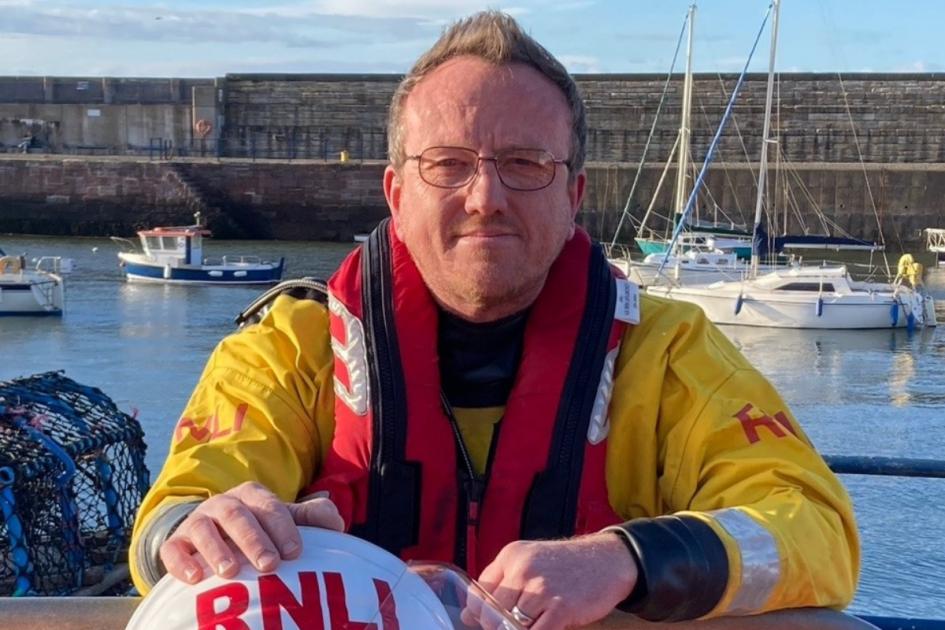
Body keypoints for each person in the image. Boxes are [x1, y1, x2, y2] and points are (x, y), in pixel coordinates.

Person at [130, 11, 860, 629]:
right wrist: (197, 529)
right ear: (395, 191)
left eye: (524, 164)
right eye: (447, 165)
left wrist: (625, 559)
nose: (486, 197)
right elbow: (176, 513)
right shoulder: (287, 351)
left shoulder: (667, 353)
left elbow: (814, 528)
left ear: (573, 194)